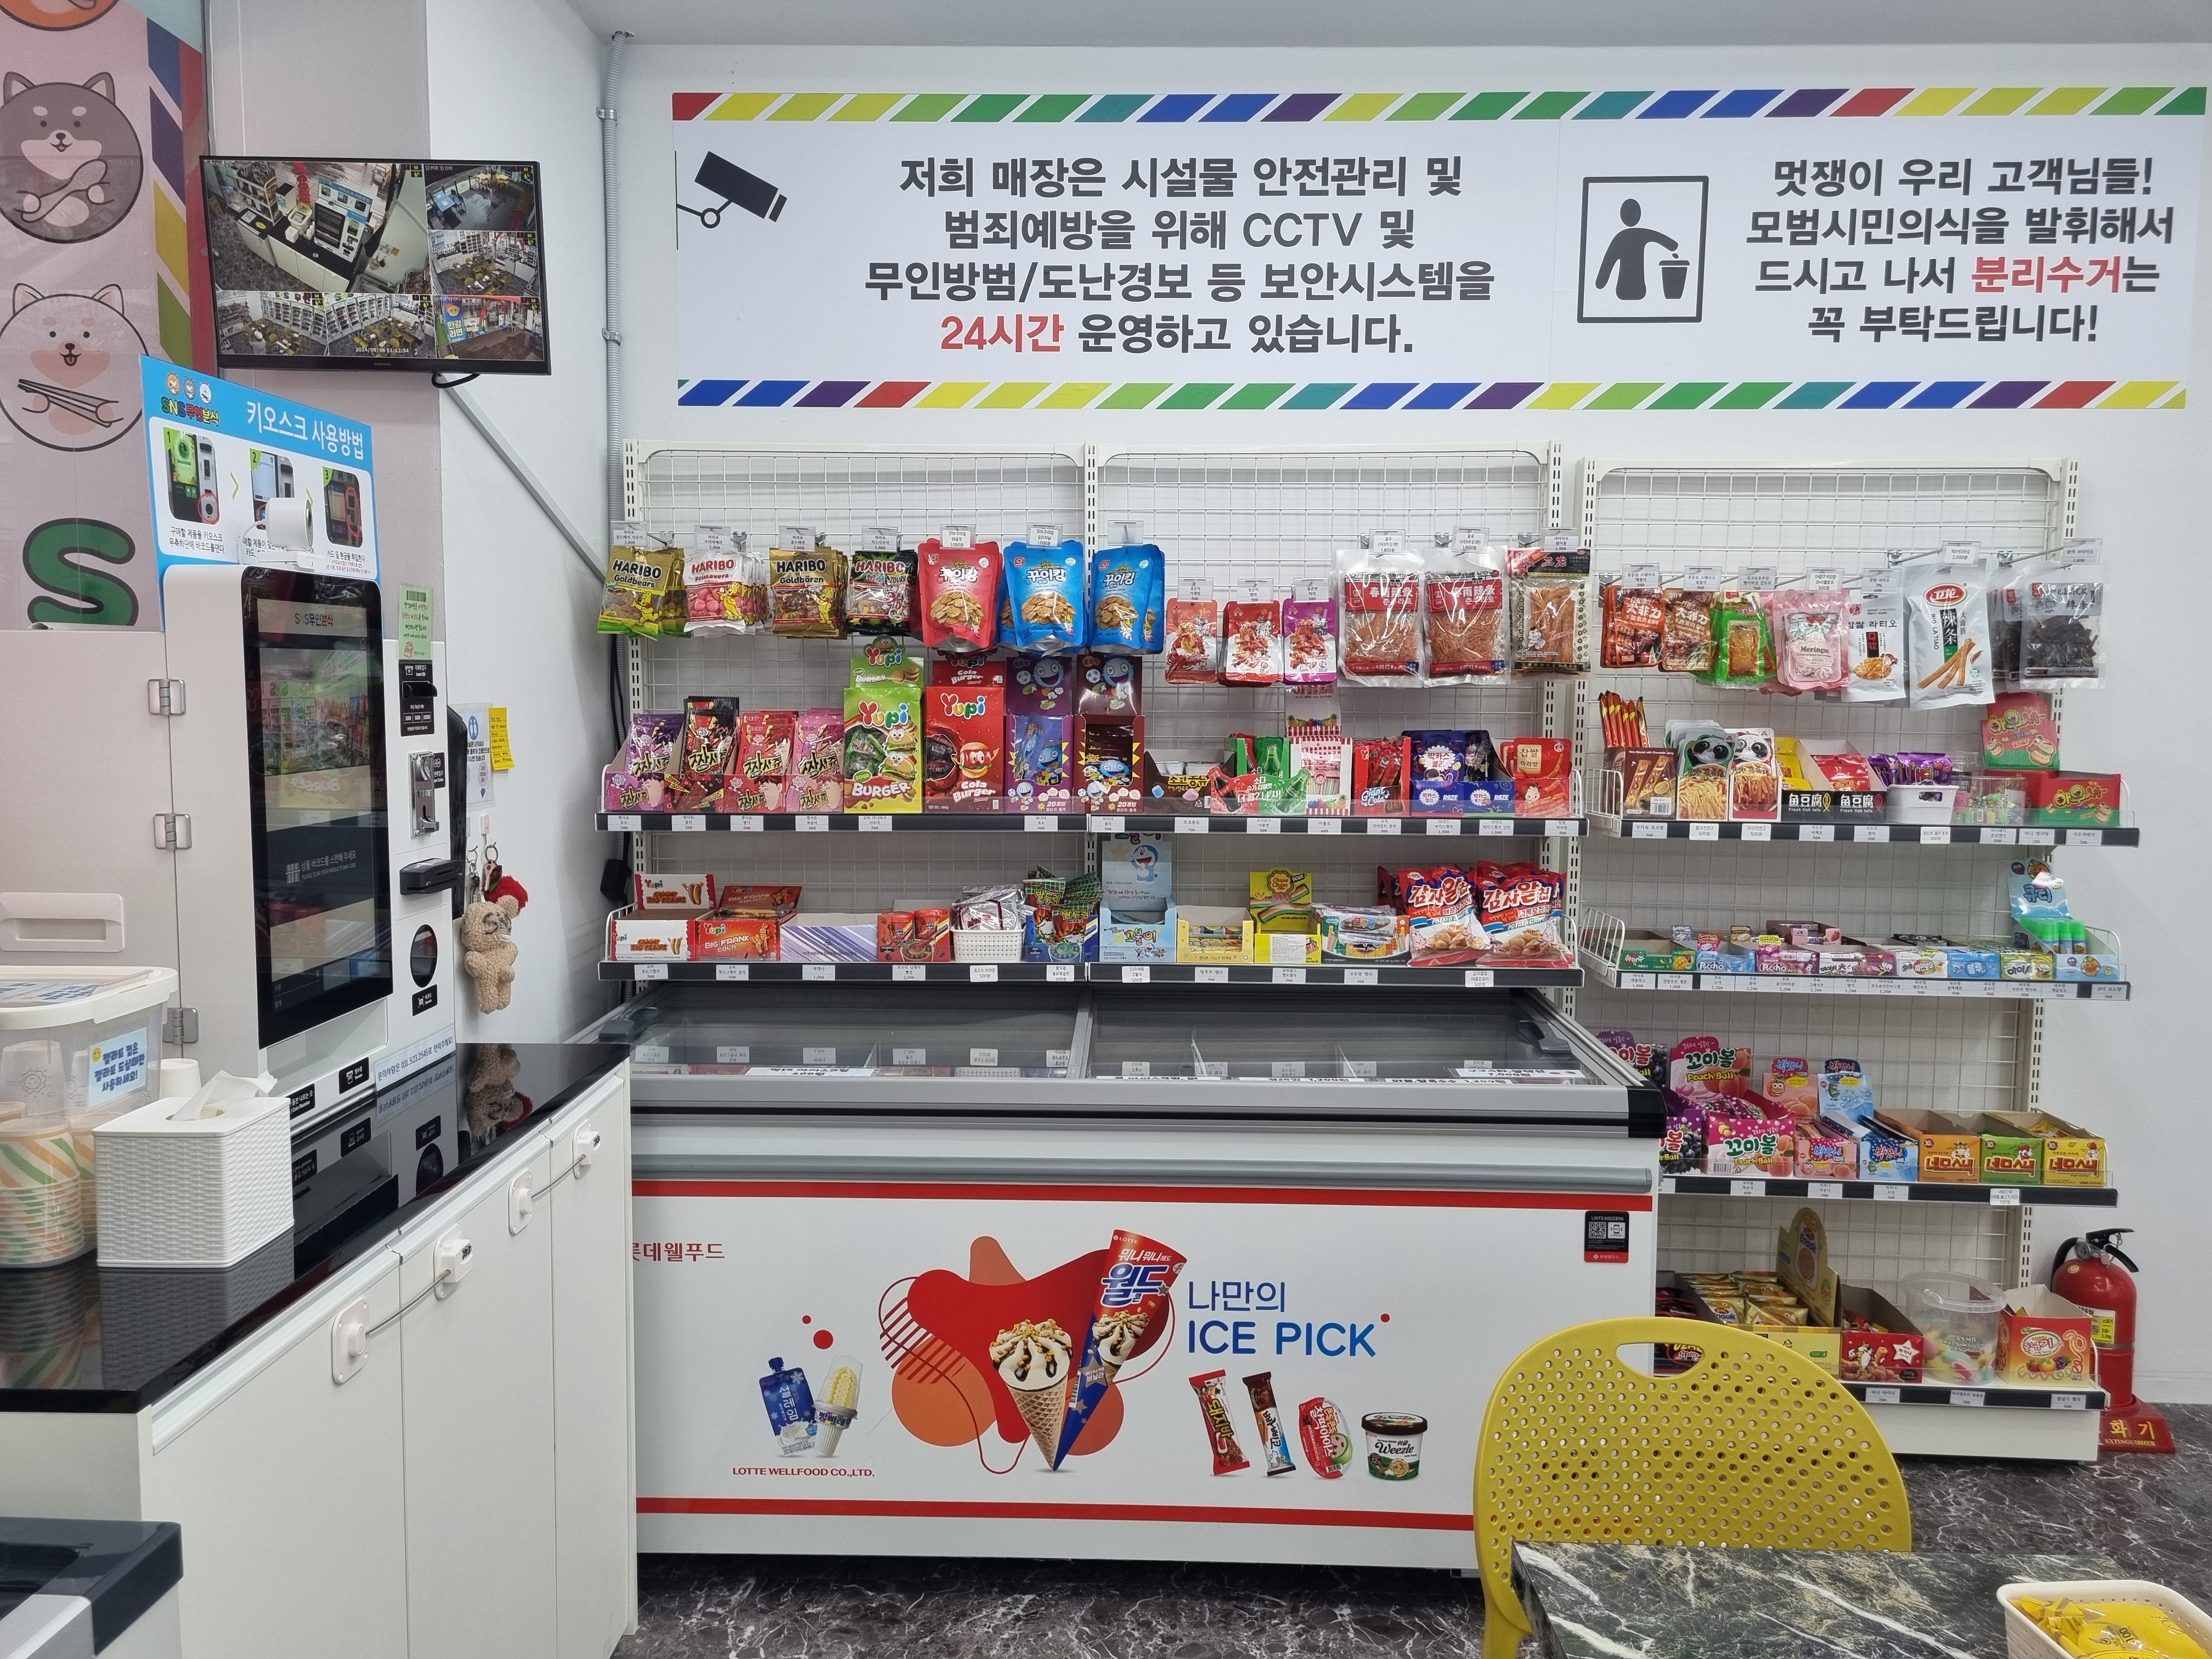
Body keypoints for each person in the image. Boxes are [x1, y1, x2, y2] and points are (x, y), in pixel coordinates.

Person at [1594, 199, 1678, 302]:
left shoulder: (1621, 237)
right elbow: (1666, 242)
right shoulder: (1639, 234)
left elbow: (1608, 262)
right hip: (1638, 288)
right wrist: (1672, 247)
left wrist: (1601, 282)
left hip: (1623, 289)